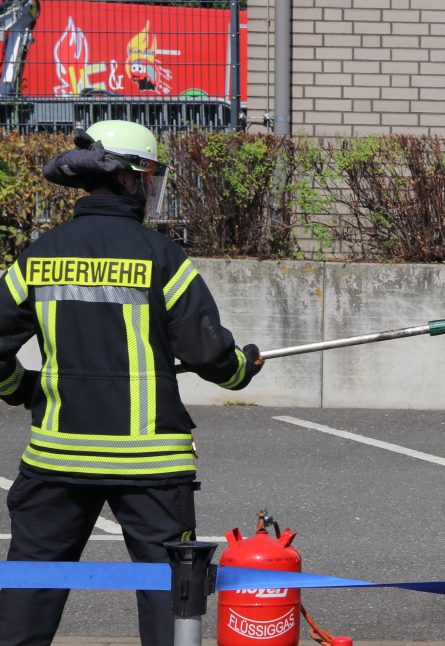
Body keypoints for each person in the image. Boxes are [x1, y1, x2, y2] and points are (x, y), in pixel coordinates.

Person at [0, 120, 262, 646]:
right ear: (126, 179)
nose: (150, 189)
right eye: (148, 176)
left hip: (59, 457)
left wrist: (23, 390)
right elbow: (209, 354)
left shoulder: (39, 256)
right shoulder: (162, 256)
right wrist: (243, 366)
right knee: (171, 596)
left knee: (28, 594)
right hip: (152, 466)